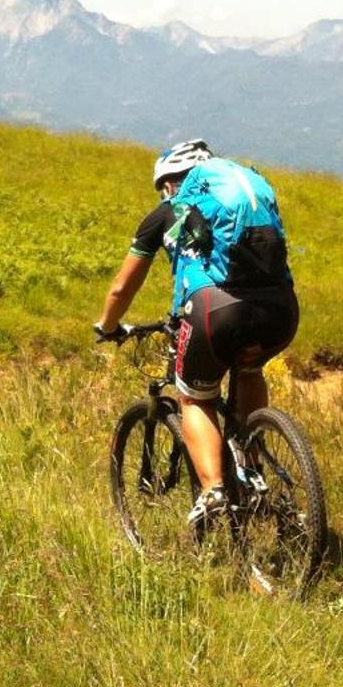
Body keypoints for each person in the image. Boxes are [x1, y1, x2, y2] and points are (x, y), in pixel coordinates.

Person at [95, 139, 298, 531]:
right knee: (250, 369)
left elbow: (122, 289)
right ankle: (252, 465)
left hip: (214, 312)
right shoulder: (250, 199)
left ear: (171, 182)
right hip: (281, 310)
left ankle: (214, 492)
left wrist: (108, 327)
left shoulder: (168, 211)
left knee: (194, 396)